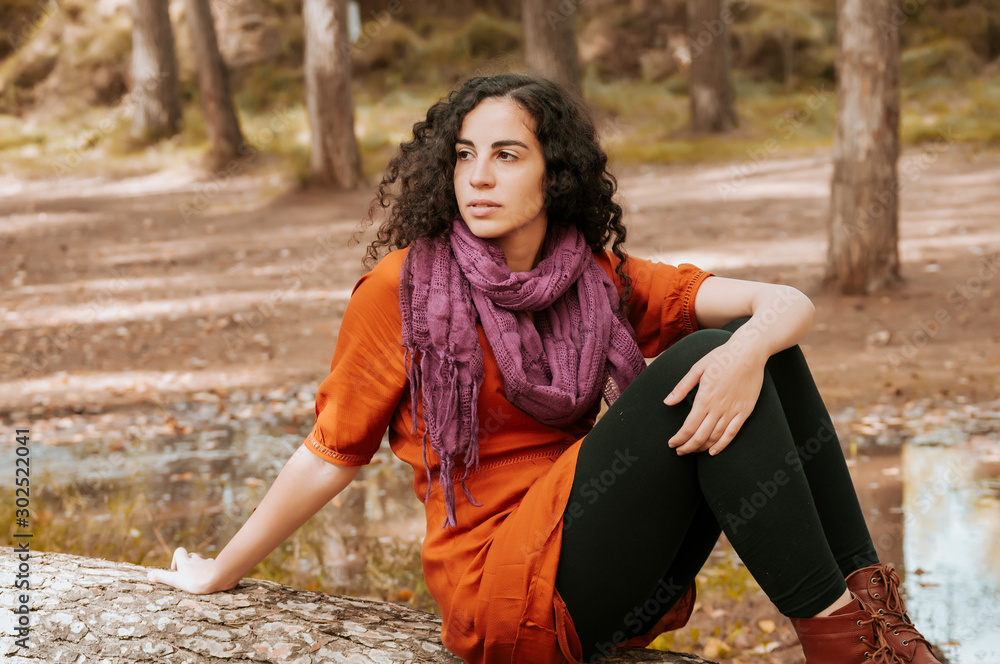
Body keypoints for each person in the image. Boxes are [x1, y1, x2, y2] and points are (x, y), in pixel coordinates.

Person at [149, 73, 941, 664]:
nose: (480, 177)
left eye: (506, 155)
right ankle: (847, 649)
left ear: (552, 173)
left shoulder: (596, 277)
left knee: (764, 347)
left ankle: (878, 629)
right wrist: (220, 569)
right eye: (465, 157)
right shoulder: (404, 291)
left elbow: (785, 301)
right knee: (716, 353)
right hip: (503, 591)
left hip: (599, 559)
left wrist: (748, 349)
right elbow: (329, 455)